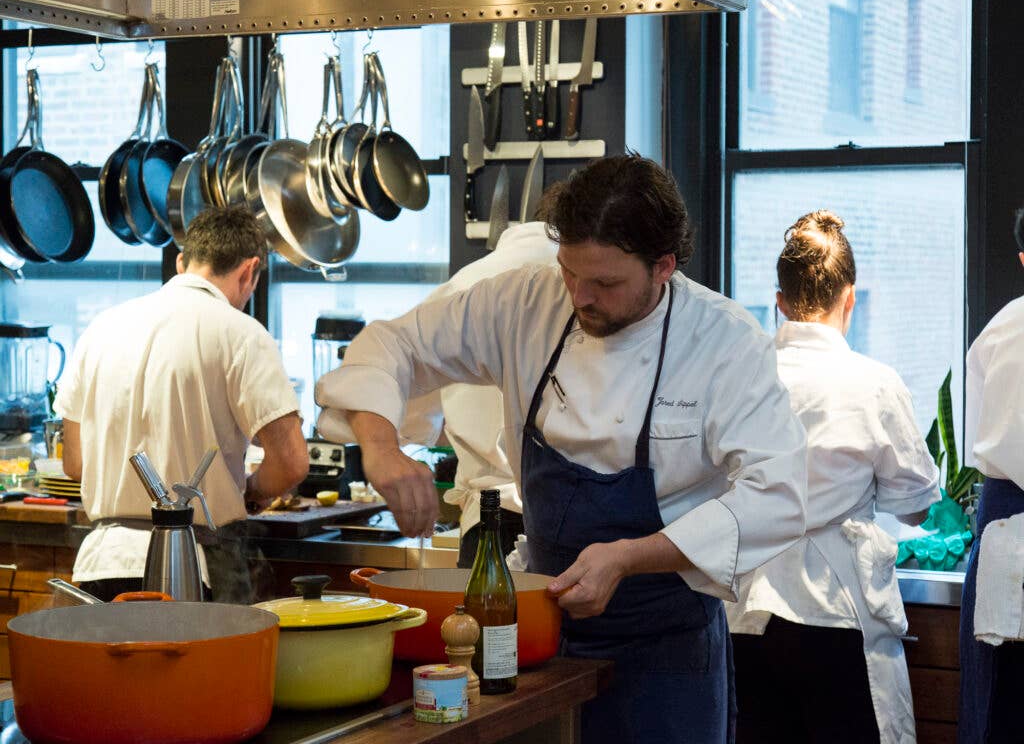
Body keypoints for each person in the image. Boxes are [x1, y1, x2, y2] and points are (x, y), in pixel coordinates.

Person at [316, 153, 808, 743]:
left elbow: (778, 495)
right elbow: (391, 346)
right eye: (571, 273)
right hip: (539, 641)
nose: (580, 296)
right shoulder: (523, 301)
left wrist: (628, 557)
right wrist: (382, 445)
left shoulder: (725, 342)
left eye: (605, 283)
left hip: (666, 651)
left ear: (664, 268)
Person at [724, 211, 939, 744]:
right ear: (850, 297)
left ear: (779, 301)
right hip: (833, 613)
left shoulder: (737, 380)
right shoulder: (873, 384)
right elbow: (915, 504)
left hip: (743, 614)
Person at [57, 205, 308, 604]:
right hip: (195, 565)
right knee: (205, 669)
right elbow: (292, 463)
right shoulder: (241, 334)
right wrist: (251, 491)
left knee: (107, 668)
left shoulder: (100, 329)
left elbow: (75, 462)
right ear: (249, 271)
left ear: (181, 261)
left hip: (100, 564)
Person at [402, 221, 557, 568]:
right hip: (571, 522)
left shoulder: (460, 286)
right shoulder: (586, 286)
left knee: (486, 623)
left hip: (489, 522)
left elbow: (410, 414)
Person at [957, 212, 1024, 744]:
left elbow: (978, 444)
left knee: (999, 713)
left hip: (1003, 530)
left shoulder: (997, 331)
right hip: (1004, 525)